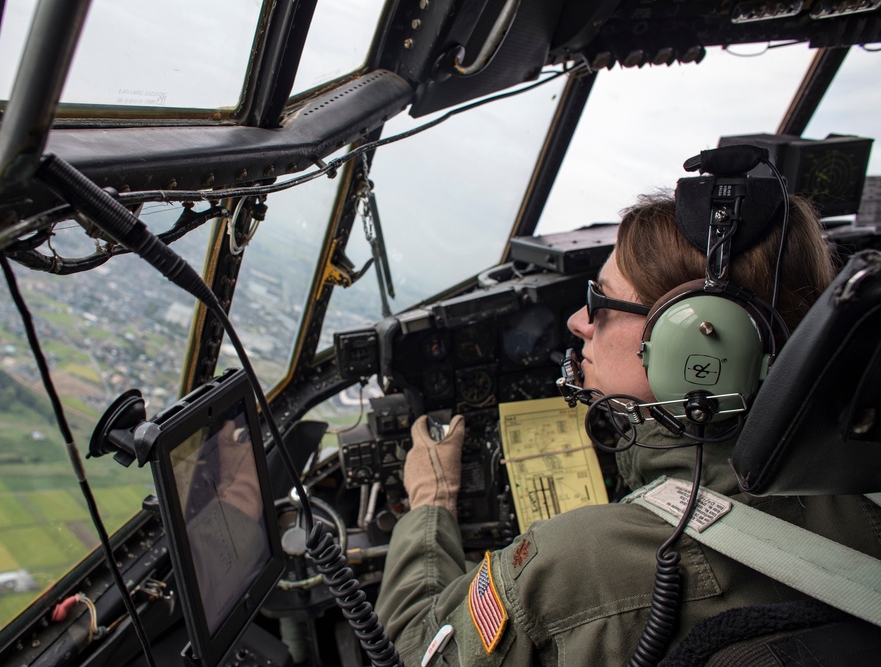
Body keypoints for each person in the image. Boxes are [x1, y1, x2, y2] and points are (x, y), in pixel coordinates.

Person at [375, 190, 881, 665]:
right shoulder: (865, 480)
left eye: (601, 302)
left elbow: (412, 648)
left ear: (698, 351)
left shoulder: (568, 567)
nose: (578, 320)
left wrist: (430, 502)